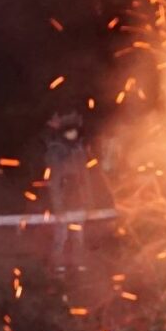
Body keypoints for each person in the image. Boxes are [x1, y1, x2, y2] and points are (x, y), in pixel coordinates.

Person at [44, 110, 98, 270]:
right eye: (69, 131)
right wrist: (58, 206)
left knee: (78, 234)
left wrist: (89, 201)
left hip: (78, 199)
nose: (72, 134)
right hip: (65, 198)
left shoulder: (79, 150)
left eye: (74, 130)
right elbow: (54, 181)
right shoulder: (56, 151)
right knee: (61, 235)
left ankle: (78, 262)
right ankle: (57, 264)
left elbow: (85, 178)